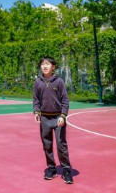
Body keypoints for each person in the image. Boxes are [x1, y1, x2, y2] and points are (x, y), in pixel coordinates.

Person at [33, 56, 74, 184]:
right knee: (47, 145)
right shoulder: (38, 82)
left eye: (48, 64)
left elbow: (65, 100)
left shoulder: (59, 82)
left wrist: (63, 115)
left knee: (61, 145)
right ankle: (51, 168)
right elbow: (36, 100)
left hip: (58, 119)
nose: (45, 66)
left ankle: (66, 170)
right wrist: (36, 111)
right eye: (43, 64)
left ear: (53, 67)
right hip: (44, 118)